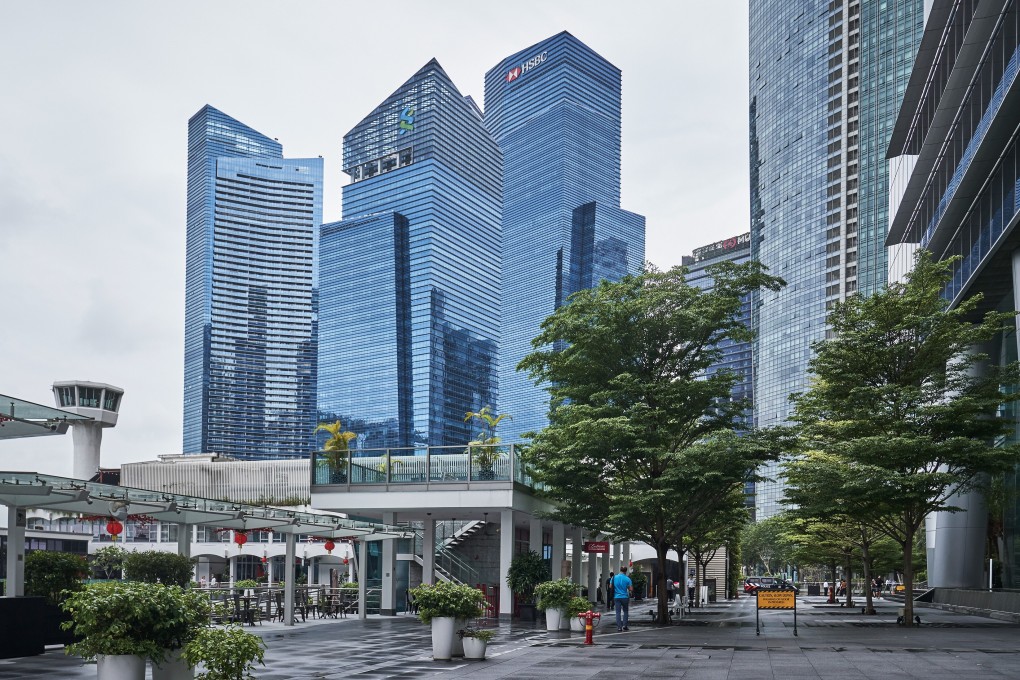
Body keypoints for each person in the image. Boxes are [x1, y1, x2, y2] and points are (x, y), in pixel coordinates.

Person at [612, 566, 633, 631]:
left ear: (620, 570)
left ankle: (619, 627)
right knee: (625, 611)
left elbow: (610, 586)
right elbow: (631, 589)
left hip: (616, 597)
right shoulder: (627, 579)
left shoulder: (614, 577)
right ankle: (625, 625)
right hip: (624, 597)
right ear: (626, 571)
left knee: (618, 612)